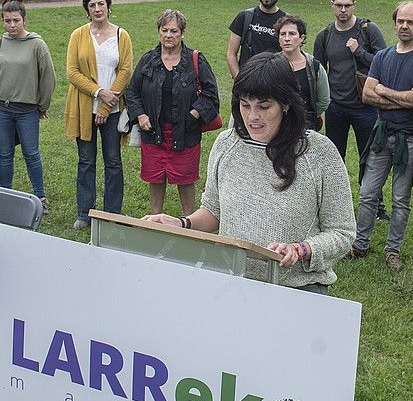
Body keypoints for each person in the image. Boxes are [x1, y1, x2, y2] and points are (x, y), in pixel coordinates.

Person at [143, 53, 355, 292]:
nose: (253, 117)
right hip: (232, 285)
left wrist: (301, 250)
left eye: (264, 107)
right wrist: (181, 223)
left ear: (285, 103)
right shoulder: (226, 144)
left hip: (296, 290)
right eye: (245, 105)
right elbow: (214, 211)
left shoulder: (319, 153)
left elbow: (342, 232)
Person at [351, 1, 413, 271]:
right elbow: (366, 94)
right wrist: (403, 97)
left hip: (410, 138)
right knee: (367, 192)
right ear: (395, 22)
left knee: (401, 198)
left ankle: (393, 250)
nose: (404, 26)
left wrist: (384, 92)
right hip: (382, 133)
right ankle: (360, 244)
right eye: (401, 20)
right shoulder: (382, 57)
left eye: (411, 22)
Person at [125, 9, 220, 215]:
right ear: (159, 32)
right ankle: (156, 217)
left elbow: (211, 94)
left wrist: (194, 114)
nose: (169, 35)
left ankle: (190, 221)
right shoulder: (148, 60)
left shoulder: (195, 60)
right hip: (153, 131)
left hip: (185, 132)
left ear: (182, 33)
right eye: (164, 30)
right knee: (155, 177)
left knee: (185, 178)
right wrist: (140, 115)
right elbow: (132, 91)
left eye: (174, 31)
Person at [65, 0, 133, 230]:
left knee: (113, 161)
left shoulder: (121, 36)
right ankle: (85, 212)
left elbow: (125, 71)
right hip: (84, 107)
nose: (97, 9)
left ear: (108, 6)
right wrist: (97, 91)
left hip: (112, 110)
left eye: (101, 4)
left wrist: (105, 105)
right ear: (87, 9)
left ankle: (112, 213)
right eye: (92, 5)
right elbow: (72, 72)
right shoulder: (78, 35)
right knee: (86, 160)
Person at [0, 0, 55, 209]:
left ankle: (40, 196)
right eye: (7, 20)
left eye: (16, 20)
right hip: (1, 107)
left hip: (27, 110)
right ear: (2, 21)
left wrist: (43, 104)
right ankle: (5, 193)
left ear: (24, 20)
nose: (12, 25)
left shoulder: (37, 45)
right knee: (4, 153)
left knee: (31, 153)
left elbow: (48, 76)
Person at [312, 0, 386, 162]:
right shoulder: (325, 35)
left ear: (354, 5)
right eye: (339, 5)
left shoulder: (369, 30)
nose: (343, 10)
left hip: (366, 107)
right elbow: (317, 74)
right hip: (335, 107)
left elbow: (384, 64)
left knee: (370, 159)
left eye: (347, 5)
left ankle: (370, 191)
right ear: (332, 5)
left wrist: (359, 51)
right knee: (334, 160)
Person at [226, 0, 290, 79]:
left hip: (274, 85)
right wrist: (239, 81)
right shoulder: (244, 17)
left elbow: (292, 57)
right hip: (246, 84)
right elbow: (231, 54)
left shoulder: (287, 21)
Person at [275, 15, 329, 129]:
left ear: (302, 38)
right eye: (283, 34)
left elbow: (324, 100)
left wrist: (310, 116)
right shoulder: (271, 65)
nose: (287, 38)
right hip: (276, 124)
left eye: (292, 34)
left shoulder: (314, 67)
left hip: (305, 126)